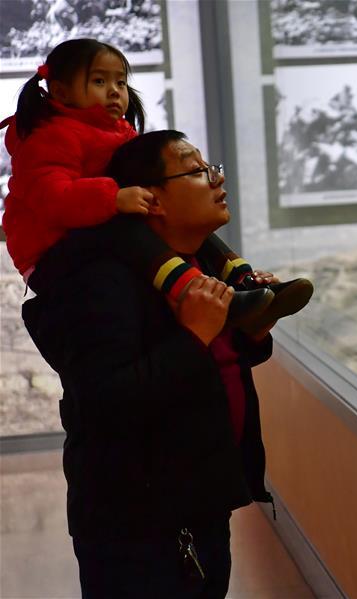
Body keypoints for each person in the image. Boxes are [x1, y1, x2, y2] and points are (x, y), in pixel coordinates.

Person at [22, 130, 280, 598]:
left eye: (210, 167)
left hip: (200, 505)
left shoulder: (194, 265)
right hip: (138, 527)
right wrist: (195, 333)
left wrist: (250, 335)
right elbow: (107, 401)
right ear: (150, 200)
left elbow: (215, 364)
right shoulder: (101, 284)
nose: (217, 179)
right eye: (197, 170)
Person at [0, 38, 311, 334]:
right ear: (61, 92)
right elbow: (51, 198)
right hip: (49, 252)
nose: (114, 92)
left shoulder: (116, 131)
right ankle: (194, 292)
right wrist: (114, 198)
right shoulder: (49, 137)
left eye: (120, 82)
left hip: (90, 231)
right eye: (99, 81)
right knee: (129, 230)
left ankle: (245, 281)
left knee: (184, 219)